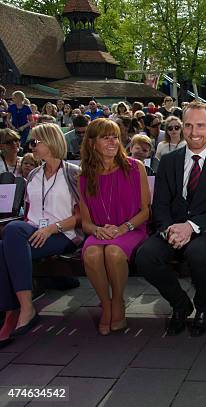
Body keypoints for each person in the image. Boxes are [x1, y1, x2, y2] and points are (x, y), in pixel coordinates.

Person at [135, 102, 206, 337]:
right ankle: (180, 304)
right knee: (145, 256)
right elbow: (160, 203)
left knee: (198, 254)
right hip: (172, 226)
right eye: (189, 125)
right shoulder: (170, 160)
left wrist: (190, 227)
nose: (194, 132)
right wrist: (168, 229)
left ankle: (204, 308)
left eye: (200, 126)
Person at [0, 124, 82, 348]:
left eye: (35, 142)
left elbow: (82, 216)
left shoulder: (74, 173)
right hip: (33, 231)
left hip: (63, 235)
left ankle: (16, 312)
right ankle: (18, 310)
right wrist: (38, 230)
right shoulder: (34, 175)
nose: (31, 147)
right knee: (11, 235)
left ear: (50, 142)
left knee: (9, 237)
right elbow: (29, 214)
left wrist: (51, 228)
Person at [79, 119, 150, 336]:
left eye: (115, 136)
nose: (112, 141)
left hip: (131, 229)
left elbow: (146, 211)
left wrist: (123, 228)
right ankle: (106, 303)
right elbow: (86, 222)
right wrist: (98, 230)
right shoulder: (83, 176)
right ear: (92, 143)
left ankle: (117, 300)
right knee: (91, 253)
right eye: (105, 136)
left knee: (112, 252)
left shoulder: (135, 167)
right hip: (101, 231)